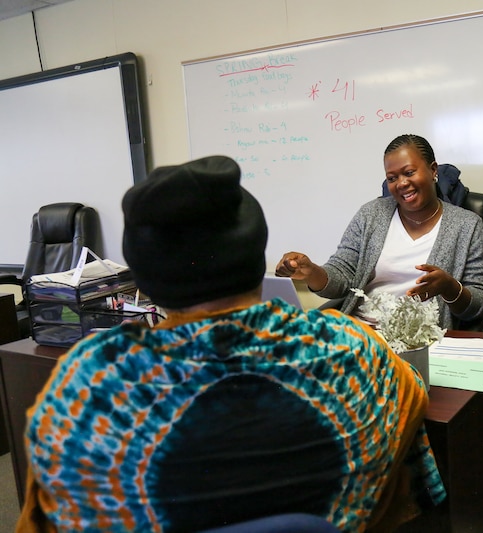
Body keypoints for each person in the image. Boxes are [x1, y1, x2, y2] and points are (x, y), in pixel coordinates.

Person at [16, 156, 446, 533]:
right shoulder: (351, 349)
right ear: (256, 252)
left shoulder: (89, 385)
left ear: (144, 277)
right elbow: (409, 457)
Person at [276, 133, 483, 331]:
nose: (402, 183)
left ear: (433, 170)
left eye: (409, 173)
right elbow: (342, 276)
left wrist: (450, 288)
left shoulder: (467, 225)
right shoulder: (371, 215)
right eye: (392, 178)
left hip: (422, 341)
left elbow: (482, 305)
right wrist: (312, 272)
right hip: (361, 334)